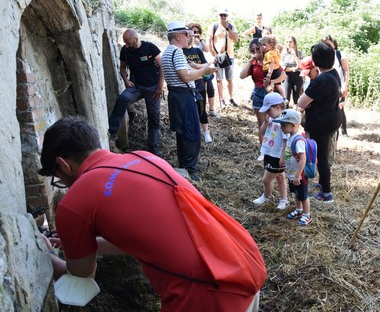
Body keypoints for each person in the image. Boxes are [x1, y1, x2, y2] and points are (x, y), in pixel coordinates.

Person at [38, 115, 263, 311]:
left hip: (206, 295)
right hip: (241, 266)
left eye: (58, 179)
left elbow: (80, 281)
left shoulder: (73, 202)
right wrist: (87, 244)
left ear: (63, 165)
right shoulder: (145, 157)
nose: (64, 184)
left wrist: (43, 256)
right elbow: (143, 236)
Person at [161, 21, 216, 181]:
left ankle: (185, 165)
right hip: (183, 97)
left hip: (177, 96)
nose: (189, 37)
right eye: (186, 34)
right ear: (177, 36)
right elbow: (185, 76)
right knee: (191, 133)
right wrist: (205, 70)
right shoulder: (177, 52)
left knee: (183, 133)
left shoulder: (169, 52)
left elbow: (186, 71)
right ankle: (190, 169)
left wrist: (202, 69)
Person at [108, 29, 164, 155]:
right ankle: (112, 132)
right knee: (123, 99)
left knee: (154, 117)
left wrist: (160, 86)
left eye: (128, 43)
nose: (126, 45)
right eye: (125, 43)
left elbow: (162, 66)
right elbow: (122, 68)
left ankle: (153, 147)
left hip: (153, 88)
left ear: (136, 39)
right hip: (136, 86)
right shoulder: (125, 50)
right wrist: (126, 81)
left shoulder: (150, 47)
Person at [297, 43, 342, 203]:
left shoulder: (321, 80)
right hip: (332, 119)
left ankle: (326, 192)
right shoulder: (334, 73)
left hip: (321, 123)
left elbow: (301, 102)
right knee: (324, 154)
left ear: (315, 61)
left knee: (321, 157)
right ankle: (323, 182)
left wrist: (309, 102)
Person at [240, 38, 286, 147]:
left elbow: (284, 75)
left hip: (272, 93)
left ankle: (277, 148)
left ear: (262, 47)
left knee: (277, 122)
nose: (256, 52)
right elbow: (241, 75)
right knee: (262, 124)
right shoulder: (253, 63)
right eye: (252, 50)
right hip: (259, 93)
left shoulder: (270, 59)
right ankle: (263, 150)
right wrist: (251, 60)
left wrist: (273, 81)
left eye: (257, 48)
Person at [273, 109, 313, 226]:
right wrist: (283, 159)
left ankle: (307, 215)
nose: (281, 127)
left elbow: (303, 159)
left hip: (299, 176)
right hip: (292, 174)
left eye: (284, 125)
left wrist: (297, 175)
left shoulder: (298, 140)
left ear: (294, 125)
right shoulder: (290, 137)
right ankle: (299, 210)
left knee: (304, 196)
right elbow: (288, 151)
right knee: (296, 194)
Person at [253, 92, 289, 209]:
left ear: (278, 108)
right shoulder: (271, 119)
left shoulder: (284, 122)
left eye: (269, 110)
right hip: (269, 152)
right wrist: (266, 122)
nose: (267, 113)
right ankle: (284, 199)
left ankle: (267, 195)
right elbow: (262, 132)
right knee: (280, 177)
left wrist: (283, 157)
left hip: (277, 156)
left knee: (266, 179)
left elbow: (285, 141)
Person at [183, 23, 213, 143]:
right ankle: (193, 132)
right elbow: (186, 69)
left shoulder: (197, 50)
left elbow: (207, 65)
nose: (190, 38)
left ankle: (206, 132)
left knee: (202, 107)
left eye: (192, 35)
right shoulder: (180, 51)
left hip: (199, 82)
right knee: (190, 109)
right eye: (188, 35)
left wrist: (195, 66)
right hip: (187, 84)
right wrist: (200, 69)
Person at [187, 22, 220, 118]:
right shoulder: (187, 42)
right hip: (193, 70)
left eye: (197, 31)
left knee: (210, 88)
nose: (195, 33)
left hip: (202, 67)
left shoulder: (199, 43)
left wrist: (200, 38)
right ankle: (200, 111)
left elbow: (207, 49)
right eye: (193, 31)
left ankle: (211, 110)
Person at [208, 9, 239, 108]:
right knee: (219, 79)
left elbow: (236, 39)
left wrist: (227, 28)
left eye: (225, 15)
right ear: (218, 16)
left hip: (229, 56)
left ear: (227, 16)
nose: (223, 17)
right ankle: (221, 100)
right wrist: (213, 54)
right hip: (218, 56)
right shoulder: (214, 26)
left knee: (229, 79)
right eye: (221, 15)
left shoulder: (231, 26)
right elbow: (209, 40)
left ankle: (231, 98)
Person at [322, 35, 350, 138]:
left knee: (340, 109)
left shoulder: (339, 54)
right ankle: (333, 133)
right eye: (325, 44)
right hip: (326, 87)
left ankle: (344, 131)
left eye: (329, 44)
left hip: (339, 86)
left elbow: (346, 70)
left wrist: (345, 86)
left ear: (334, 44)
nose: (327, 46)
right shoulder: (322, 56)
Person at [280, 36, 304, 107]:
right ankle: (286, 114)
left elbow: (301, 66)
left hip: (297, 77)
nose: (288, 43)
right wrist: (293, 69)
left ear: (294, 44)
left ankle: (296, 114)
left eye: (290, 42)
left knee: (297, 98)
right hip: (287, 76)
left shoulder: (299, 53)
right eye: (287, 42)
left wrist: (294, 55)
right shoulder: (283, 54)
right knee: (286, 97)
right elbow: (282, 67)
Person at [260, 35, 286, 99]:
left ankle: (271, 96)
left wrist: (269, 73)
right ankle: (284, 98)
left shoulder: (268, 53)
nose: (262, 47)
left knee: (268, 86)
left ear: (271, 45)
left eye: (264, 45)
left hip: (271, 71)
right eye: (261, 45)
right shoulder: (275, 51)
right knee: (278, 85)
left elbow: (271, 63)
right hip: (277, 71)